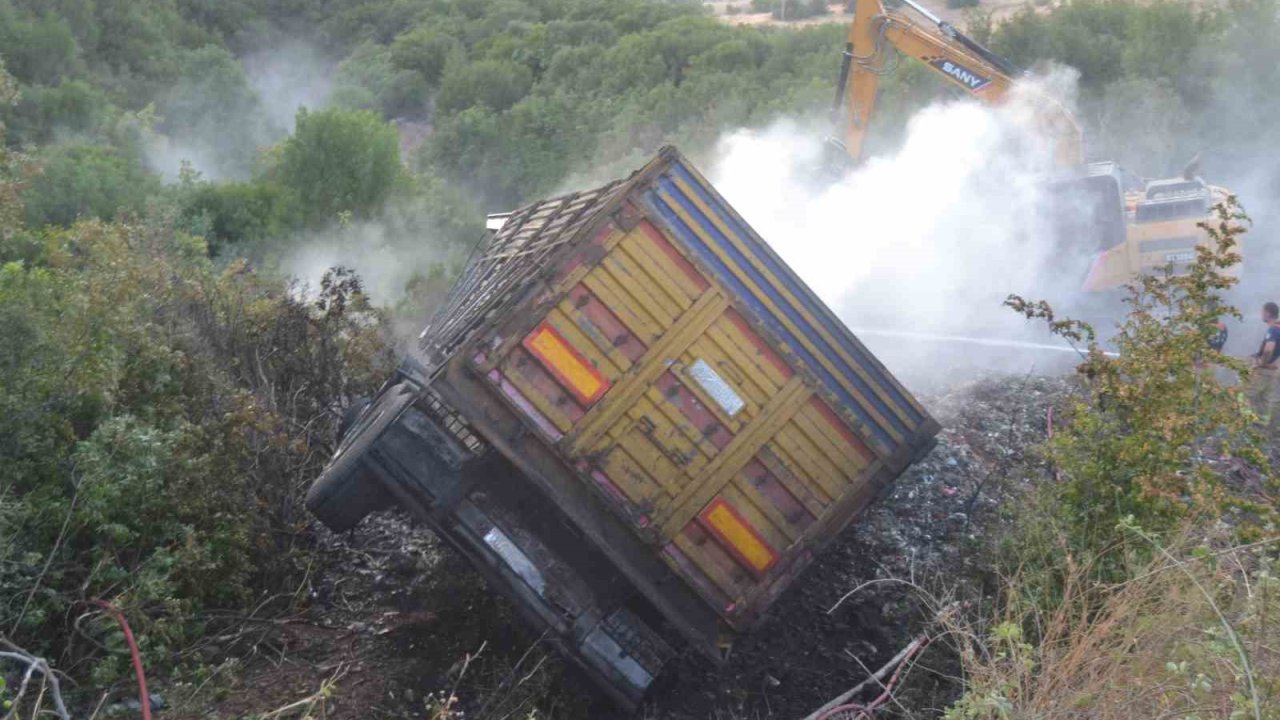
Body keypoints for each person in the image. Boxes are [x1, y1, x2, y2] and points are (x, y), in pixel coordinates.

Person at [1247, 302, 1280, 441]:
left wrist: (1260, 363)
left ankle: (1250, 422)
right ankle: (1266, 426)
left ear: (1268, 313)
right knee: (1268, 398)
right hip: (1273, 370)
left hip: (1265, 370)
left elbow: (1268, 349)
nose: (1261, 314)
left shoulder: (1272, 330)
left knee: (1249, 393)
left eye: (1262, 311)